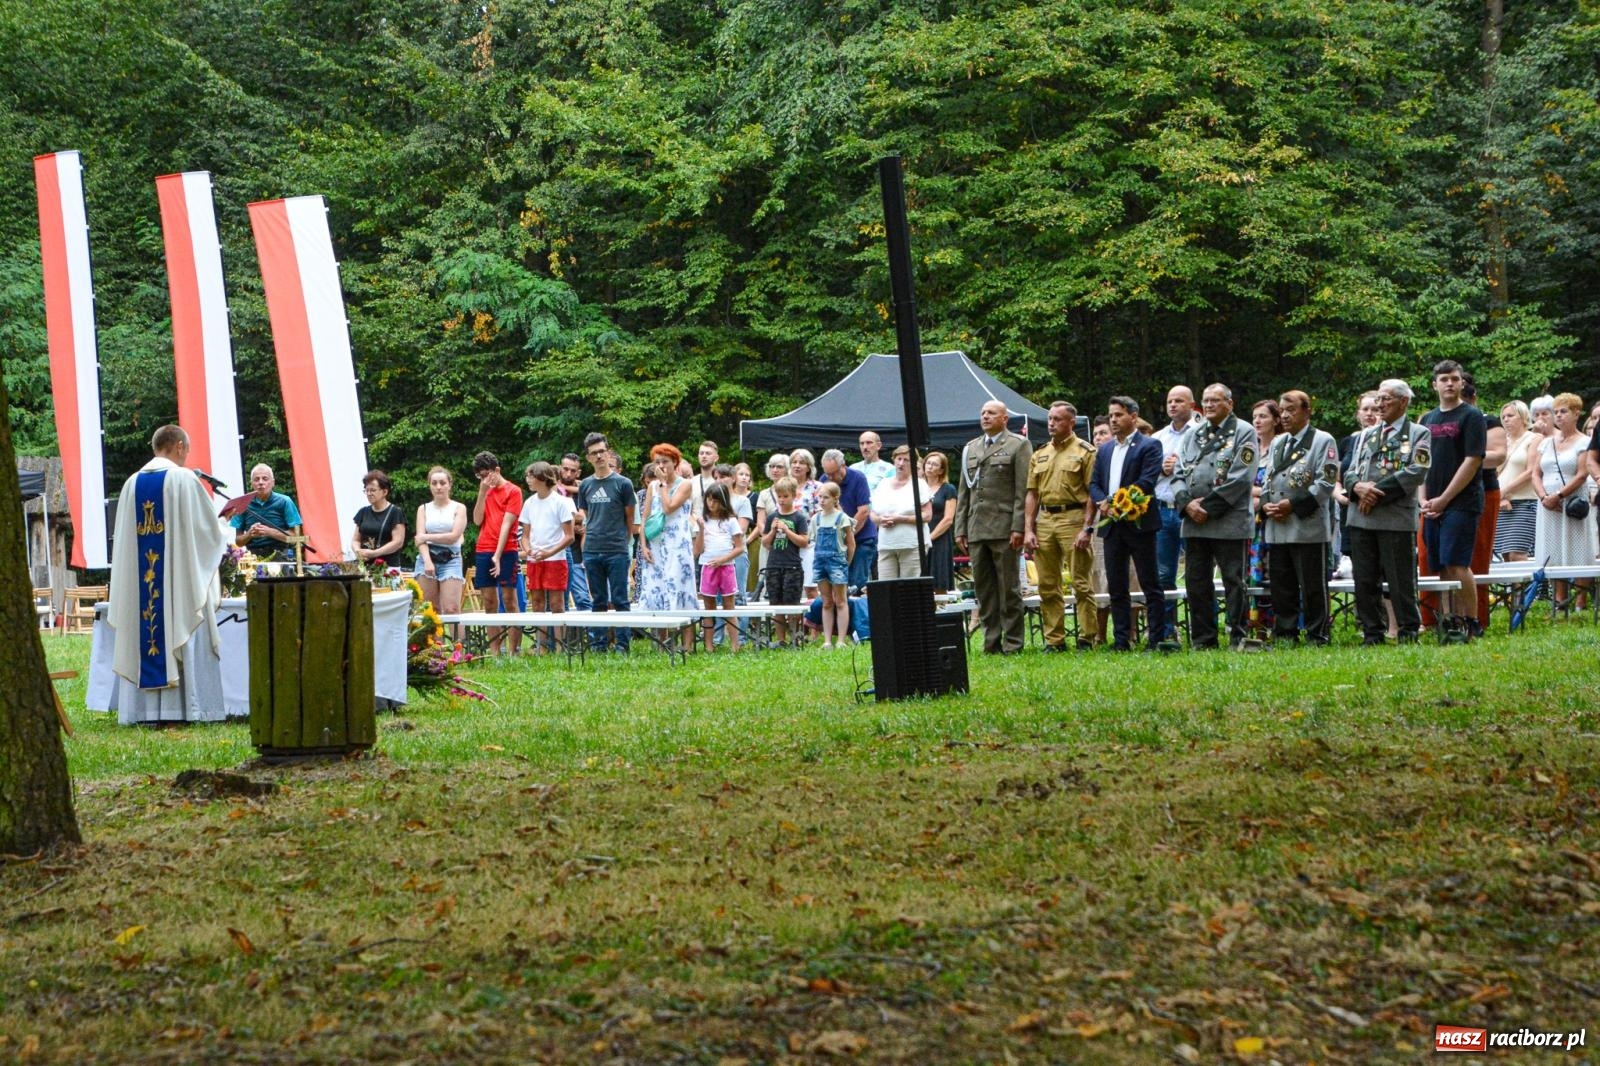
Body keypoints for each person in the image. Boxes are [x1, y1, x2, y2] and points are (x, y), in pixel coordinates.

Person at [108, 425, 234, 724]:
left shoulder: (131, 484)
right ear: (179, 446)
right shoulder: (184, 479)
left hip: (142, 585)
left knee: (146, 626)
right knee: (178, 623)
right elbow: (207, 532)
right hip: (177, 585)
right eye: (186, 450)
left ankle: (143, 712)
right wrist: (226, 526)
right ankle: (186, 709)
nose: (186, 455)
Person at [1346, 379, 1431, 645]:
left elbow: (1417, 471)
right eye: (1378, 399)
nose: (1380, 405)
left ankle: (1407, 632)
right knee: (1364, 579)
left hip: (1394, 517)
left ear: (1404, 401)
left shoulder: (1419, 433)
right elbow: (1348, 471)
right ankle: (1372, 633)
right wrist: (1358, 487)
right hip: (1362, 515)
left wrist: (1375, 494)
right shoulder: (1365, 435)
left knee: (1400, 580)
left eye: (1386, 400)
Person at [1173, 384, 1257, 650]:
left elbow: (1241, 477)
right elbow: (1177, 473)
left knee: (1234, 581)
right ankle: (1203, 639)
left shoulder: (1244, 432)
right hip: (1193, 521)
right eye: (1205, 401)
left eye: (1215, 401)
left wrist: (1206, 507)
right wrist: (1186, 505)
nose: (1208, 405)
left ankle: (1238, 636)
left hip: (1228, 520)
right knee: (1196, 582)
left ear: (1229, 404)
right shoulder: (1193, 434)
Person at [955, 400, 1034, 655]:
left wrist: (1019, 526)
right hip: (977, 527)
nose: (985, 417)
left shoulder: (1017, 445)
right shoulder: (971, 448)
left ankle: (1013, 643)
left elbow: (1022, 490)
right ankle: (991, 642)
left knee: (1008, 587)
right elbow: (964, 492)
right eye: (982, 413)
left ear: (1004, 418)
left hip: (1004, 526)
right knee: (984, 589)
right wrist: (960, 528)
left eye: (991, 413)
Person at [1260, 391, 1338, 645]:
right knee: (1282, 585)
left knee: (1313, 584)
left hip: (1306, 526)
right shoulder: (1279, 443)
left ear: (1307, 411)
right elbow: (1267, 481)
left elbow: (1325, 482)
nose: (1284, 415)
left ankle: (1317, 633)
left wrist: (1292, 506)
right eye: (1282, 410)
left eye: (1291, 409)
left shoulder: (1322, 441)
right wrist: (1266, 506)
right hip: (1277, 525)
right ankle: (1286, 633)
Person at [1088, 397, 1166, 652]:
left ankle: (1155, 638)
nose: (1113, 420)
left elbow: (1147, 481)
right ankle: (1121, 640)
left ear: (1133, 417)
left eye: (1118, 415)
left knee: (1149, 582)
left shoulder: (1149, 445)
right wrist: (1103, 501)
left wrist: (1119, 501)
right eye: (1111, 415)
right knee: (1116, 584)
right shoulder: (1106, 449)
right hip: (1111, 524)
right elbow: (1094, 483)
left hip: (1138, 521)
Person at [1416, 360, 1487, 641]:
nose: (1449, 383)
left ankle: (1472, 621)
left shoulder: (1471, 416)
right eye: (1444, 379)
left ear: (1462, 383)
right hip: (1431, 503)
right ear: (1434, 384)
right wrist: (1424, 499)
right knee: (1442, 564)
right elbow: (1421, 462)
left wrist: (1444, 499)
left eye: (1454, 379)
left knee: (1458, 562)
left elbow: (1472, 461)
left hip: (1462, 501)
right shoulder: (1428, 420)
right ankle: (1450, 621)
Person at [1023, 400, 1096, 652]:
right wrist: (1029, 529)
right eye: (1050, 419)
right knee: (1047, 583)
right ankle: (1055, 640)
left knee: (1081, 582)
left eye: (1058, 419)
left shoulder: (1085, 452)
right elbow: (1032, 494)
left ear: (1071, 422)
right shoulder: (1040, 453)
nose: (1052, 424)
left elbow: (1091, 494)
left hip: (1073, 517)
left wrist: (1087, 528)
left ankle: (1087, 637)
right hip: (1045, 519)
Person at [1534, 393, 1597, 610]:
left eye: (1564, 411)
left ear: (1576, 413)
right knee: (1554, 547)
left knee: (1578, 546)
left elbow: (1582, 473)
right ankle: (1559, 600)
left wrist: (1559, 495)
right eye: (1556, 412)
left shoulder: (1584, 442)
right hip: (1547, 503)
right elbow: (1535, 473)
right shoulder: (1545, 443)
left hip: (1572, 500)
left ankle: (1580, 601)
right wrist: (1544, 497)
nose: (1559, 416)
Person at [576, 433, 636, 652]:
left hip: (617, 549)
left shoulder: (623, 484)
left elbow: (630, 518)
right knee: (598, 600)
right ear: (588, 458)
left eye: (602, 451)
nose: (599, 456)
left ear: (608, 452)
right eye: (594, 453)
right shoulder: (586, 486)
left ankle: (622, 645)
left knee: (621, 600)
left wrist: (623, 541)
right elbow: (586, 513)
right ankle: (598, 644)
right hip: (592, 549)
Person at [637, 443, 699, 651]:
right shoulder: (651, 486)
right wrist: (643, 546)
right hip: (656, 545)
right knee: (658, 590)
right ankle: (661, 644)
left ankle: (687, 644)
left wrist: (663, 485)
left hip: (677, 546)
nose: (661, 465)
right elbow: (644, 518)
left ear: (675, 463)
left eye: (665, 461)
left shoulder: (685, 485)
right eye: (658, 462)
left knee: (681, 589)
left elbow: (669, 507)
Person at [1460, 372, 1504, 631]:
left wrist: (1467, 459)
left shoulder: (1488, 422)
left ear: (1473, 396)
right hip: (1442, 493)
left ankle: (1477, 617)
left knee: (1477, 555)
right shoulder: (1435, 419)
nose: (1460, 398)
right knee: (1434, 558)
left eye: (1465, 394)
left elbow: (1498, 456)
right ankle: (1434, 617)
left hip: (1483, 490)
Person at [519, 461, 575, 654]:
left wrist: (548, 553)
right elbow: (524, 536)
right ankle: (541, 646)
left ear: (543, 478)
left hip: (556, 559)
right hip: (535, 560)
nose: (528, 480)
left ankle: (561, 646)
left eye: (531, 476)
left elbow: (569, 536)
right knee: (536, 602)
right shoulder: (529, 502)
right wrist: (528, 551)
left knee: (558, 603)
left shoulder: (560, 502)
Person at [1152, 386, 1196, 632]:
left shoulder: (1201, 435)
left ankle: (1200, 628)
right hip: (1162, 510)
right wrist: (1162, 469)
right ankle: (1167, 631)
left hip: (1190, 510)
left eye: (1179, 401)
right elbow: (1147, 474)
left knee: (1196, 573)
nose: (1173, 405)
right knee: (1164, 574)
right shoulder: (1158, 438)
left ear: (1191, 404)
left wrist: (1182, 466)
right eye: (1170, 401)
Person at [471, 451, 522, 655]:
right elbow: (476, 520)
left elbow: (507, 525)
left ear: (496, 470)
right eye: (480, 477)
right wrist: (482, 492)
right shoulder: (486, 490)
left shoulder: (513, 491)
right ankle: (495, 651)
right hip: (483, 548)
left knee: (509, 599)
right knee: (489, 601)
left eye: (486, 475)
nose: (484, 480)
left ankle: (513, 650)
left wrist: (498, 555)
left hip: (507, 549)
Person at [413, 466, 467, 636]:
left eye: (442, 483)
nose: (438, 487)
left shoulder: (459, 508)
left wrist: (427, 537)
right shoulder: (423, 509)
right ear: (429, 485)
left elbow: (454, 536)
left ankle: (460, 649)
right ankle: (435, 651)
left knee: (452, 608)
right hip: (426, 558)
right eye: (434, 483)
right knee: (431, 609)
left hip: (451, 558)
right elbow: (419, 539)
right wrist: (427, 560)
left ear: (449, 485)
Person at [694, 482, 744, 652]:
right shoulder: (703, 521)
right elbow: (698, 550)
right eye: (709, 500)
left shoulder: (731, 521)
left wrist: (722, 560)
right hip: (708, 566)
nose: (711, 504)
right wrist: (701, 529)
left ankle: (735, 644)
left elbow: (739, 547)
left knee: (729, 605)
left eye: (715, 501)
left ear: (723, 501)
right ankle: (709, 645)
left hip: (726, 567)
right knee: (709, 607)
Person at [1246, 398, 1282, 636]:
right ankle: (1255, 627)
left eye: (1263, 416)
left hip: (1275, 520)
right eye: (1254, 417)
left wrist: (1258, 496)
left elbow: (1280, 485)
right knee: (1252, 574)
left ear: (1276, 420)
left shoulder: (1281, 448)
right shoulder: (1248, 450)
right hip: (1249, 523)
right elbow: (1238, 483)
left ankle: (1277, 626)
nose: (1257, 421)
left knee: (1274, 573)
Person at [760, 476, 810, 645]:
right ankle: (780, 639)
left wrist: (787, 531)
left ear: (794, 496)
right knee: (776, 604)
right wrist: (773, 531)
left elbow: (804, 541)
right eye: (779, 496)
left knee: (792, 604)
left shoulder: (799, 517)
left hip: (792, 566)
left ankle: (795, 638)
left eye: (785, 496)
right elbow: (766, 543)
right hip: (773, 565)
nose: (781, 500)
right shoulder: (772, 517)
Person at [869, 445, 929, 578]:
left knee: (908, 589)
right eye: (899, 459)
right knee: (887, 586)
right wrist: (879, 520)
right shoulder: (883, 484)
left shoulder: (920, 484)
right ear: (894, 460)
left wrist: (900, 519)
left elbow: (927, 515)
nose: (901, 463)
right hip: (886, 545)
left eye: (906, 460)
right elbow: (872, 512)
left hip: (911, 544)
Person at [821, 448, 875, 590]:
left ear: (843, 466)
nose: (830, 478)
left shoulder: (858, 478)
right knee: (837, 583)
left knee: (857, 583)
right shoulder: (824, 480)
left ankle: (858, 611)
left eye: (833, 473)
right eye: (827, 473)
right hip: (836, 543)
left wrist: (846, 534)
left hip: (862, 538)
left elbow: (863, 512)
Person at [810, 481, 855, 648]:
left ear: (835, 499)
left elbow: (851, 544)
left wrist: (846, 563)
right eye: (819, 497)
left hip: (837, 561)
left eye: (825, 497)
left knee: (841, 601)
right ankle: (827, 640)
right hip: (820, 562)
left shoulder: (842, 518)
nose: (821, 500)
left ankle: (841, 640)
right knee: (826, 601)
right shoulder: (816, 519)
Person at [1495, 400, 1540, 562]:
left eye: (1511, 415)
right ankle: (1515, 588)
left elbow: (1530, 471)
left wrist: (1503, 492)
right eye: (1504, 416)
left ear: (1522, 417)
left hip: (1524, 501)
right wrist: (1500, 497)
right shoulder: (1501, 441)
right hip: (1501, 503)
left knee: (1517, 552)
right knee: (1505, 554)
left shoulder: (1534, 438)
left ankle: (1529, 587)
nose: (1506, 419)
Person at [232, 463, 302, 560]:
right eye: (256, 479)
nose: (261, 482)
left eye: (265, 479)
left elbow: (295, 538)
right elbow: (238, 542)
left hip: (281, 554)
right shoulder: (242, 503)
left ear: (273, 482)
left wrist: (269, 532)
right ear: (252, 483)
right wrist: (249, 534)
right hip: (253, 557)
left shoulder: (285, 501)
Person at [557, 453, 593, 612]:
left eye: (573, 470)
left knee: (583, 599)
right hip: (556, 553)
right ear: (559, 468)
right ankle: (563, 637)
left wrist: (582, 523)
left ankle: (590, 636)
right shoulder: (552, 492)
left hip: (579, 554)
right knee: (558, 603)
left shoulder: (584, 491)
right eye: (565, 469)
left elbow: (589, 518)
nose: (568, 474)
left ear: (578, 473)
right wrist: (574, 524)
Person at [350, 470, 406, 566]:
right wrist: (357, 551)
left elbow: (398, 542)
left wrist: (375, 553)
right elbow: (356, 540)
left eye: (373, 490)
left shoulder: (395, 512)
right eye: (366, 490)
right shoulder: (363, 512)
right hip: (364, 566)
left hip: (387, 568)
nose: (369, 493)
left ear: (384, 491)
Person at [922, 452, 959, 593]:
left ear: (942, 470)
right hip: (918, 539)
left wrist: (929, 538)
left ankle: (941, 611)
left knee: (939, 581)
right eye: (928, 463)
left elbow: (948, 519)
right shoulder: (917, 487)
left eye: (935, 464)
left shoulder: (948, 489)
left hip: (939, 539)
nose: (930, 466)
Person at [754, 454, 789, 596]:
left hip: (789, 543)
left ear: (787, 469)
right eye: (772, 466)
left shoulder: (793, 490)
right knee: (766, 579)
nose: (774, 470)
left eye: (779, 466)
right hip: (769, 543)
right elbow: (760, 523)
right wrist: (769, 537)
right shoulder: (764, 494)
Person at [788, 449, 822, 597]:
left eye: (801, 462)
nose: (797, 465)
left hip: (809, 542)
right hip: (788, 543)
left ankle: (815, 620)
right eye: (794, 462)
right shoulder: (786, 486)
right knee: (791, 587)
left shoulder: (816, 487)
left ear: (809, 467)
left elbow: (820, 516)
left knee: (810, 587)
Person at [689, 440, 719, 519]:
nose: (704, 456)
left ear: (716, 458)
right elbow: (687, 510)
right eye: (701, 453)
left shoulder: (721, 481)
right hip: (695, 527)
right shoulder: (691, 482)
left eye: (708, 453)